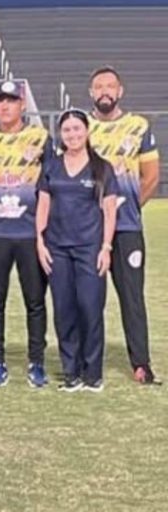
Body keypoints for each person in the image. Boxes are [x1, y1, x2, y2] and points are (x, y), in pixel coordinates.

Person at [0, 80, 50, 387]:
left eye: (11, 100)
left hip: (31, 234)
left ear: (22, 105)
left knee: (35, 301)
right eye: (0, 100)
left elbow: (50, 181)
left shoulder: (40, 137)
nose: (5, 106)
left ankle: (37, 362)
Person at [86, 66, 160, 385]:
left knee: (132, 297)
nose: (105, 91)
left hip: (128, 230)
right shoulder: (80, 126)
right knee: (89, 298)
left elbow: (152, 176)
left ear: (120, 91)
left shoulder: (138, 126)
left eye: (110, 86)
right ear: (91, 93)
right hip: (89, 230)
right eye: (99, 86)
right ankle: (87, 363)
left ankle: (141, 363)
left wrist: (127, 209)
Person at [36, 109, 119, 392]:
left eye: (77, 129)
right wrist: (39, 241)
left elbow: (109, 211)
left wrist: (106, 247)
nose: (72, 134)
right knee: (64, 310)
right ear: (61, 134)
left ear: (87, 131)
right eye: (67, 130)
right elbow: (43, 205)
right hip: (57, 249)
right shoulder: (51, 166)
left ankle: (92, 374)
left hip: (89, 248)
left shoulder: (102, 168)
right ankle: (71, 372)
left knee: (90, 308)